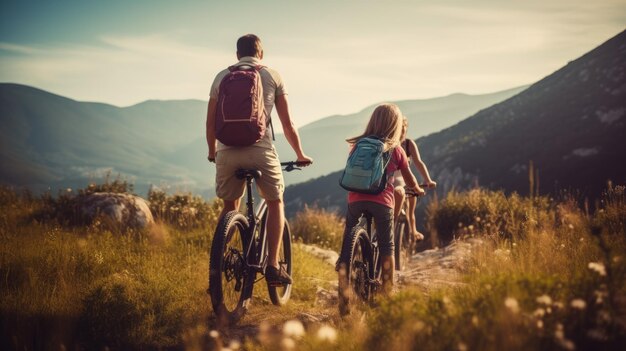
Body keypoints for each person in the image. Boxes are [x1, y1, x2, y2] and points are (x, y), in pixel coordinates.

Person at [206, 34, 312, 285]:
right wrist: (299, 154)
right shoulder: (272, 75)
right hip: (260, 150)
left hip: (227, 151)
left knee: (230, 207)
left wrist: (212, 151)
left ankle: (217, 267)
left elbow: (210, 123)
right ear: (261, 54)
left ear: (236, 55)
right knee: (275, 202)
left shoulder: (222, 77)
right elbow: (287, 124)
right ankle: (273, 265)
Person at [337, 103, 423, 296]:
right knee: (387, 247)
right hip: (382, 202)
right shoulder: (396, 149)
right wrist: (416, 189)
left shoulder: (357, 145)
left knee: (349, 232)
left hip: (355, 198)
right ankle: (387, 292)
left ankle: (344, 260)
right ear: (396, 125)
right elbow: (409, 179)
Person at [392, 117, 436, 241]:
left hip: (404, 179)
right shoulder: (393, 144)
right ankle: (410, 231)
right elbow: (418, 162)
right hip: (396, 181)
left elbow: (418, 162)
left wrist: (427, 179)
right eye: (399, 130)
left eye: (403, 130)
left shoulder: (408, 144)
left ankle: (413, 230)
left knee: (411, 208)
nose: (401, 133)